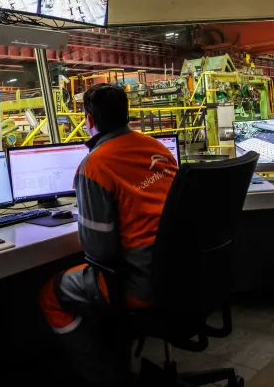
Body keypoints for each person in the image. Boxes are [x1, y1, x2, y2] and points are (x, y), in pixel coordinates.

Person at [38, 84, 178, 385]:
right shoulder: (158, 148)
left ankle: (107, 376)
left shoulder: (95, 165)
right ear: (127, 113)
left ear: (89, 120)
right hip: (182, 273)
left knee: (51, 293)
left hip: (138, 283)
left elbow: (98, 252)